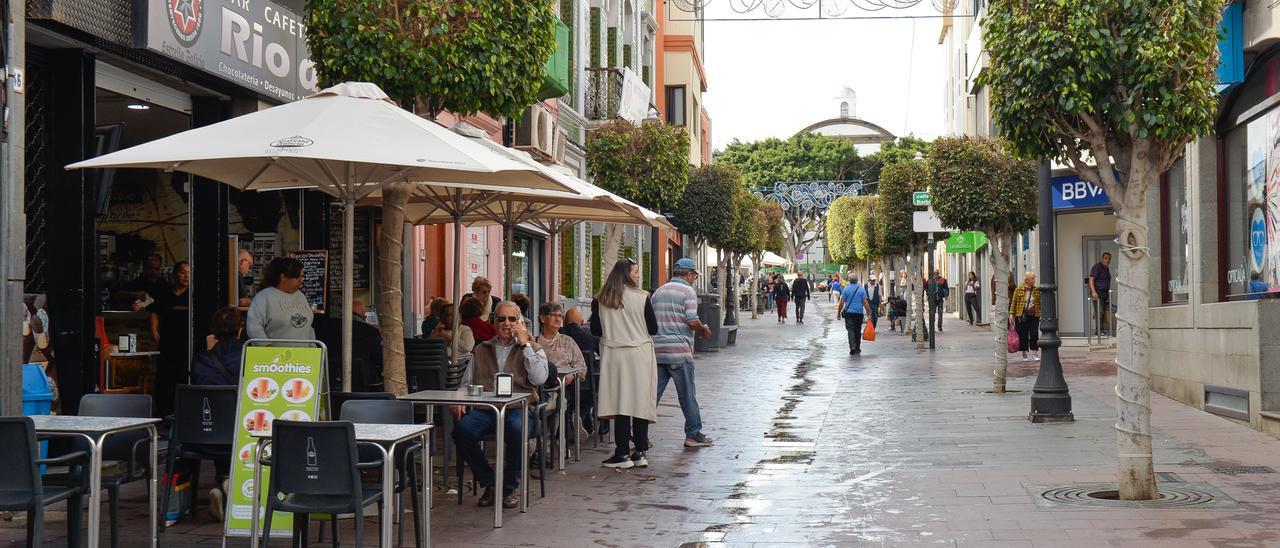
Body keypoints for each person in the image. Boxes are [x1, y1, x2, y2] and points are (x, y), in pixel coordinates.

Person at [451, 301, 548, 509]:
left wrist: (526, 345)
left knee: (515, 429)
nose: (506, 323)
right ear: (493, 322)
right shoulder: (481, 349)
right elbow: (466, 383)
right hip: (486, 409)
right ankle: (490, 482)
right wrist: (460, 397)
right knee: (462, 430)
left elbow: (540, 379)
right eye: (501, 319)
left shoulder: (533, 347)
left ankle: (509, 488)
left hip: (519, 409)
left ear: (520, 322)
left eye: (512, 319)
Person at [590, 258, 658, 469]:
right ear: (627, 274)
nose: (638, 275)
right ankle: (639, 451)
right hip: (640, 354)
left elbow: (595, 330)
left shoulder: (601, 299)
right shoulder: (643, 297)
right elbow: (653, 328)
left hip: (614, 354)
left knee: (620, 403)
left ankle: (621, 453)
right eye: (636, 271)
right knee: (639, 403)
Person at [653, 258, 714, 448]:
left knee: (652, 395)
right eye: (694, 275)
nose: (694, 278)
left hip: (657, 351)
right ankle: (693, 434)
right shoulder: (688, 291)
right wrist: (703, 329)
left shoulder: (658, 292)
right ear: (689, 274)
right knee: (687, 394)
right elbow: (691, 320)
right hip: (679, 351)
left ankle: (635, 430)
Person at [534, 302, 586, 435]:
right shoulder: (534, 342)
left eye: (560, 316)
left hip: (563, 386)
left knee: (559, 398)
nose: (558, 319)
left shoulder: (567, 341)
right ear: (542, 318)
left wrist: (572, 376)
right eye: (553, 315)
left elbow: (582, 367)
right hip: (539, 386)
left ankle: (548, 438)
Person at [151, 261, 191, 417]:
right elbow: (154, 312)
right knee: (164, 378)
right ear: (175, 274)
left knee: (182, 377)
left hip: (186, 342)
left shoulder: (193, 294)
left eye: (189, 273)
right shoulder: (164, 293)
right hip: (167, 341)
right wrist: (154, 329)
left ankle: (179, 414)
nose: (186, 276)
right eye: (183, 272)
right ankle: (162, 414)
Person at [245, 257, 315, 341]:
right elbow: (254, 327)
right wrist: (266, 347)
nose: (301, 280)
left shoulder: (301, 296)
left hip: (304, 352)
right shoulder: (264, 297)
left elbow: (309, 326)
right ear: (283, 277)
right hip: (275, 353)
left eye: (302, 277)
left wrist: (313, 346)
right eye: (297, 277)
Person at [561, 307, 600, 432]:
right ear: (582, 322)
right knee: (596, 393)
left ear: (564, 322)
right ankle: (579, 418)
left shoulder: (559, 335)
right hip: (587, 385)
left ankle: (571, 421)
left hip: (563, 384)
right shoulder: (589, 336)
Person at [191, 306, 244, 386]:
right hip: (237, 398)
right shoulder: (250, 359)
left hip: (211, 398)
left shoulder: (200, 360)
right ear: (240, 331)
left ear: (214, 330)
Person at [837, 274, 871, 355]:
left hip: (849, 313)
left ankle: (852, 346)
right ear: (857, 280)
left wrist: (838, 312)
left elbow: (842, 302)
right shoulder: (861, 289)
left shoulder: (846, 289)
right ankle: (858, 347)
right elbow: (865, 302)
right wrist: (869, 312)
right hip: (859, 313)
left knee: (850, 330)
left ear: (849, 280)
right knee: (858, 330)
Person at [1010, 271, 1041, 361]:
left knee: (1034, 333)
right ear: (1026, 280)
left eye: (1034, 278)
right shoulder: (1018, 289)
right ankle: (1024, 353)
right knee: (1023, 334)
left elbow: (1040, 302)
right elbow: (1014, 302)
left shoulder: (1036, 290)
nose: (1034, 280)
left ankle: (1035, 353)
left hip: (1034, 315)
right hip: (1021, 315)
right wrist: (1011, 314)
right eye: (1032, 278)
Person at [1088, 252, 1112, 332]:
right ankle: (1098, 332)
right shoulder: (1097, 267)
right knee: (1099, 312)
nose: (1107, 260)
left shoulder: (1107, 268)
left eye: (1109, 259)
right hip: (1097, 293)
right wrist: (1093, 292)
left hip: (1105, 294)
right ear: (1102, 258)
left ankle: (1101, 331)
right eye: (1106, 258)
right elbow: (1091, 279)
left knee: (1104, 312)